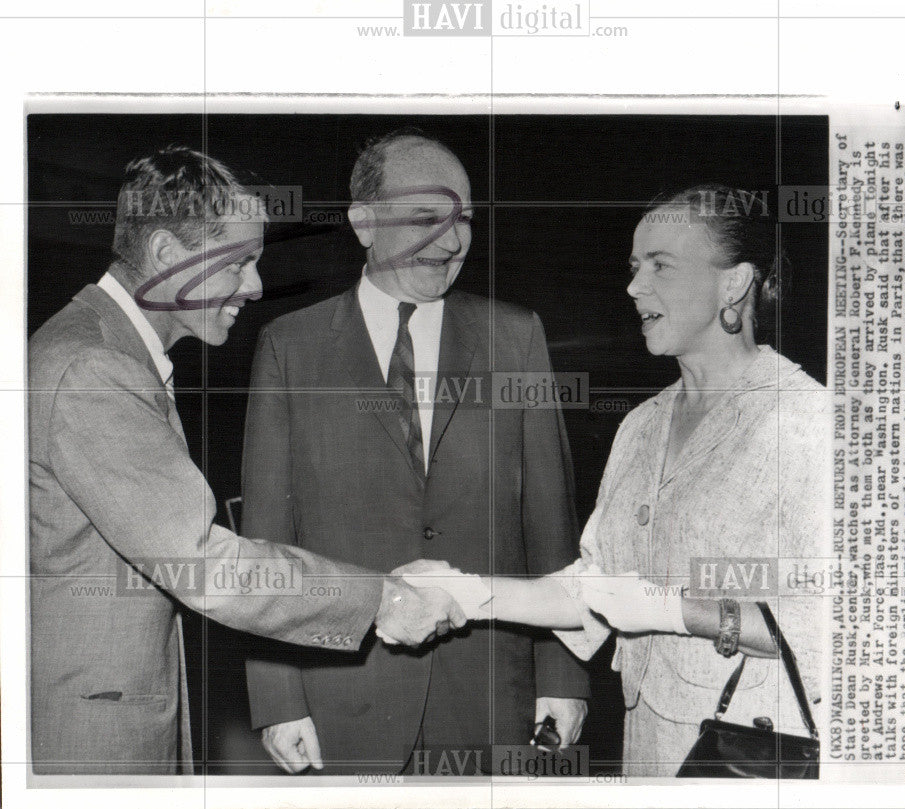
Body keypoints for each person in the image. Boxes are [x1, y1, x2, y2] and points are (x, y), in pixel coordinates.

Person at [28, 146, 464, 776]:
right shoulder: (94, 368)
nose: (255, 286)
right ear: (166, 258)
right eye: (239, 262)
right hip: (90, 740)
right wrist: (382, 599)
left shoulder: (96, 347)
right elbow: (203, 563)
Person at [402, 184, 829, 776]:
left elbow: (833, 619)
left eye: (661, 266)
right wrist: (467, 592)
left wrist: (670, 609)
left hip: (757, 759)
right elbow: (595, 590)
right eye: (634, 267)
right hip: (650, 752)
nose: (634, 287)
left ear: (734, 284)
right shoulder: (640, 426)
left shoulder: (807, 420)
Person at [241, 130, 589, 775]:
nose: (452, 240)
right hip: (341, 694)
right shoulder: (291, 345)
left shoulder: (513, 337)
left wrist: (562, 679)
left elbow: (551, 523)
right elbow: (266, 538)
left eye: (464, 220)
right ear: (364, 222)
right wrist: (277, 697)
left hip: (491, 695)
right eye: (427, 217)